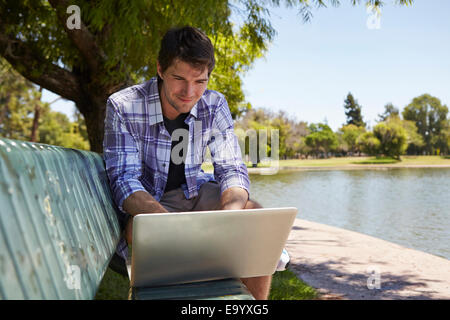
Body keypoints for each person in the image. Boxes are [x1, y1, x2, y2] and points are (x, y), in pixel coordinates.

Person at [103, 26, 272, 299]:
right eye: (178, 78)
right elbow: (124, 179)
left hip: (194, 193)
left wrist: (231, 217)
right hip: (152, 202)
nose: (189, 92)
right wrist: (174, 227)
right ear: (160, 69)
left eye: (200, 81)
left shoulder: (215, 104)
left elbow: (231, 168)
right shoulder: (123, 106)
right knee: (140, 231)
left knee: (254, 218)